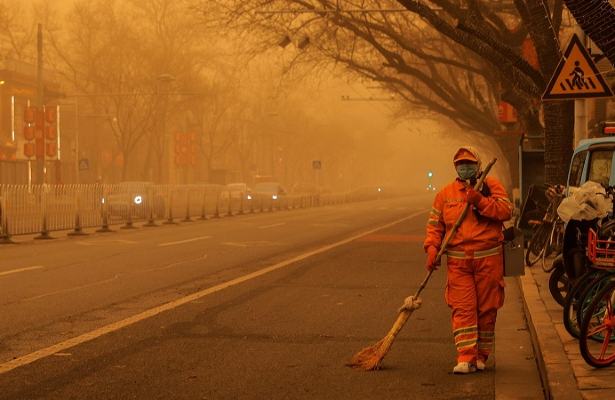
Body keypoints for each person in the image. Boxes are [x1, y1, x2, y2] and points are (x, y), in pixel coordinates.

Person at [424, 146, 513, 374]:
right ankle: (465, 356)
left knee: (486, 309)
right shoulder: (445, 194)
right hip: (458, 263)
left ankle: (481, 356)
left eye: (469, 163)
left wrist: (480, 201)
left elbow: (505, 211)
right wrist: (432, 248)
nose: (465, 167)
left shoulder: (490, 186)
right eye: (460, 164)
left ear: (478, 165)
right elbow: (435, 226)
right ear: (455, 168)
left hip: (488, 260)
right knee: (463, 308)